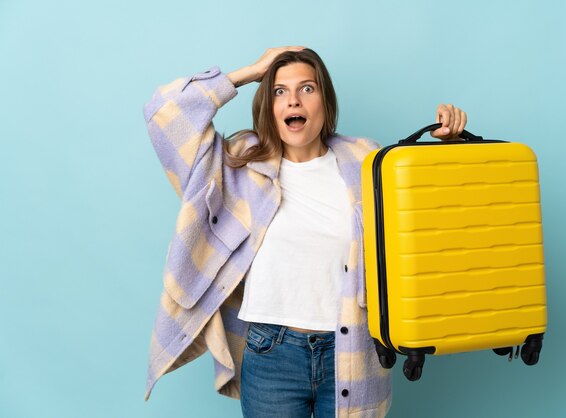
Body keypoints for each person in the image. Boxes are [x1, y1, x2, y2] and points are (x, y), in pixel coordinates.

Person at [143, 46, 467, 418]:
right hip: (270, 353)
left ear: (325, 103)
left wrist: (448, 151)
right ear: (269, 105)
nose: (293, 100)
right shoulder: (237, 164)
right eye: (280, 91)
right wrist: (250, 72)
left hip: (355, 349)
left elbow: (429, 229)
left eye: (307, 89)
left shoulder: (366, 161)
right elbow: (165, 114)